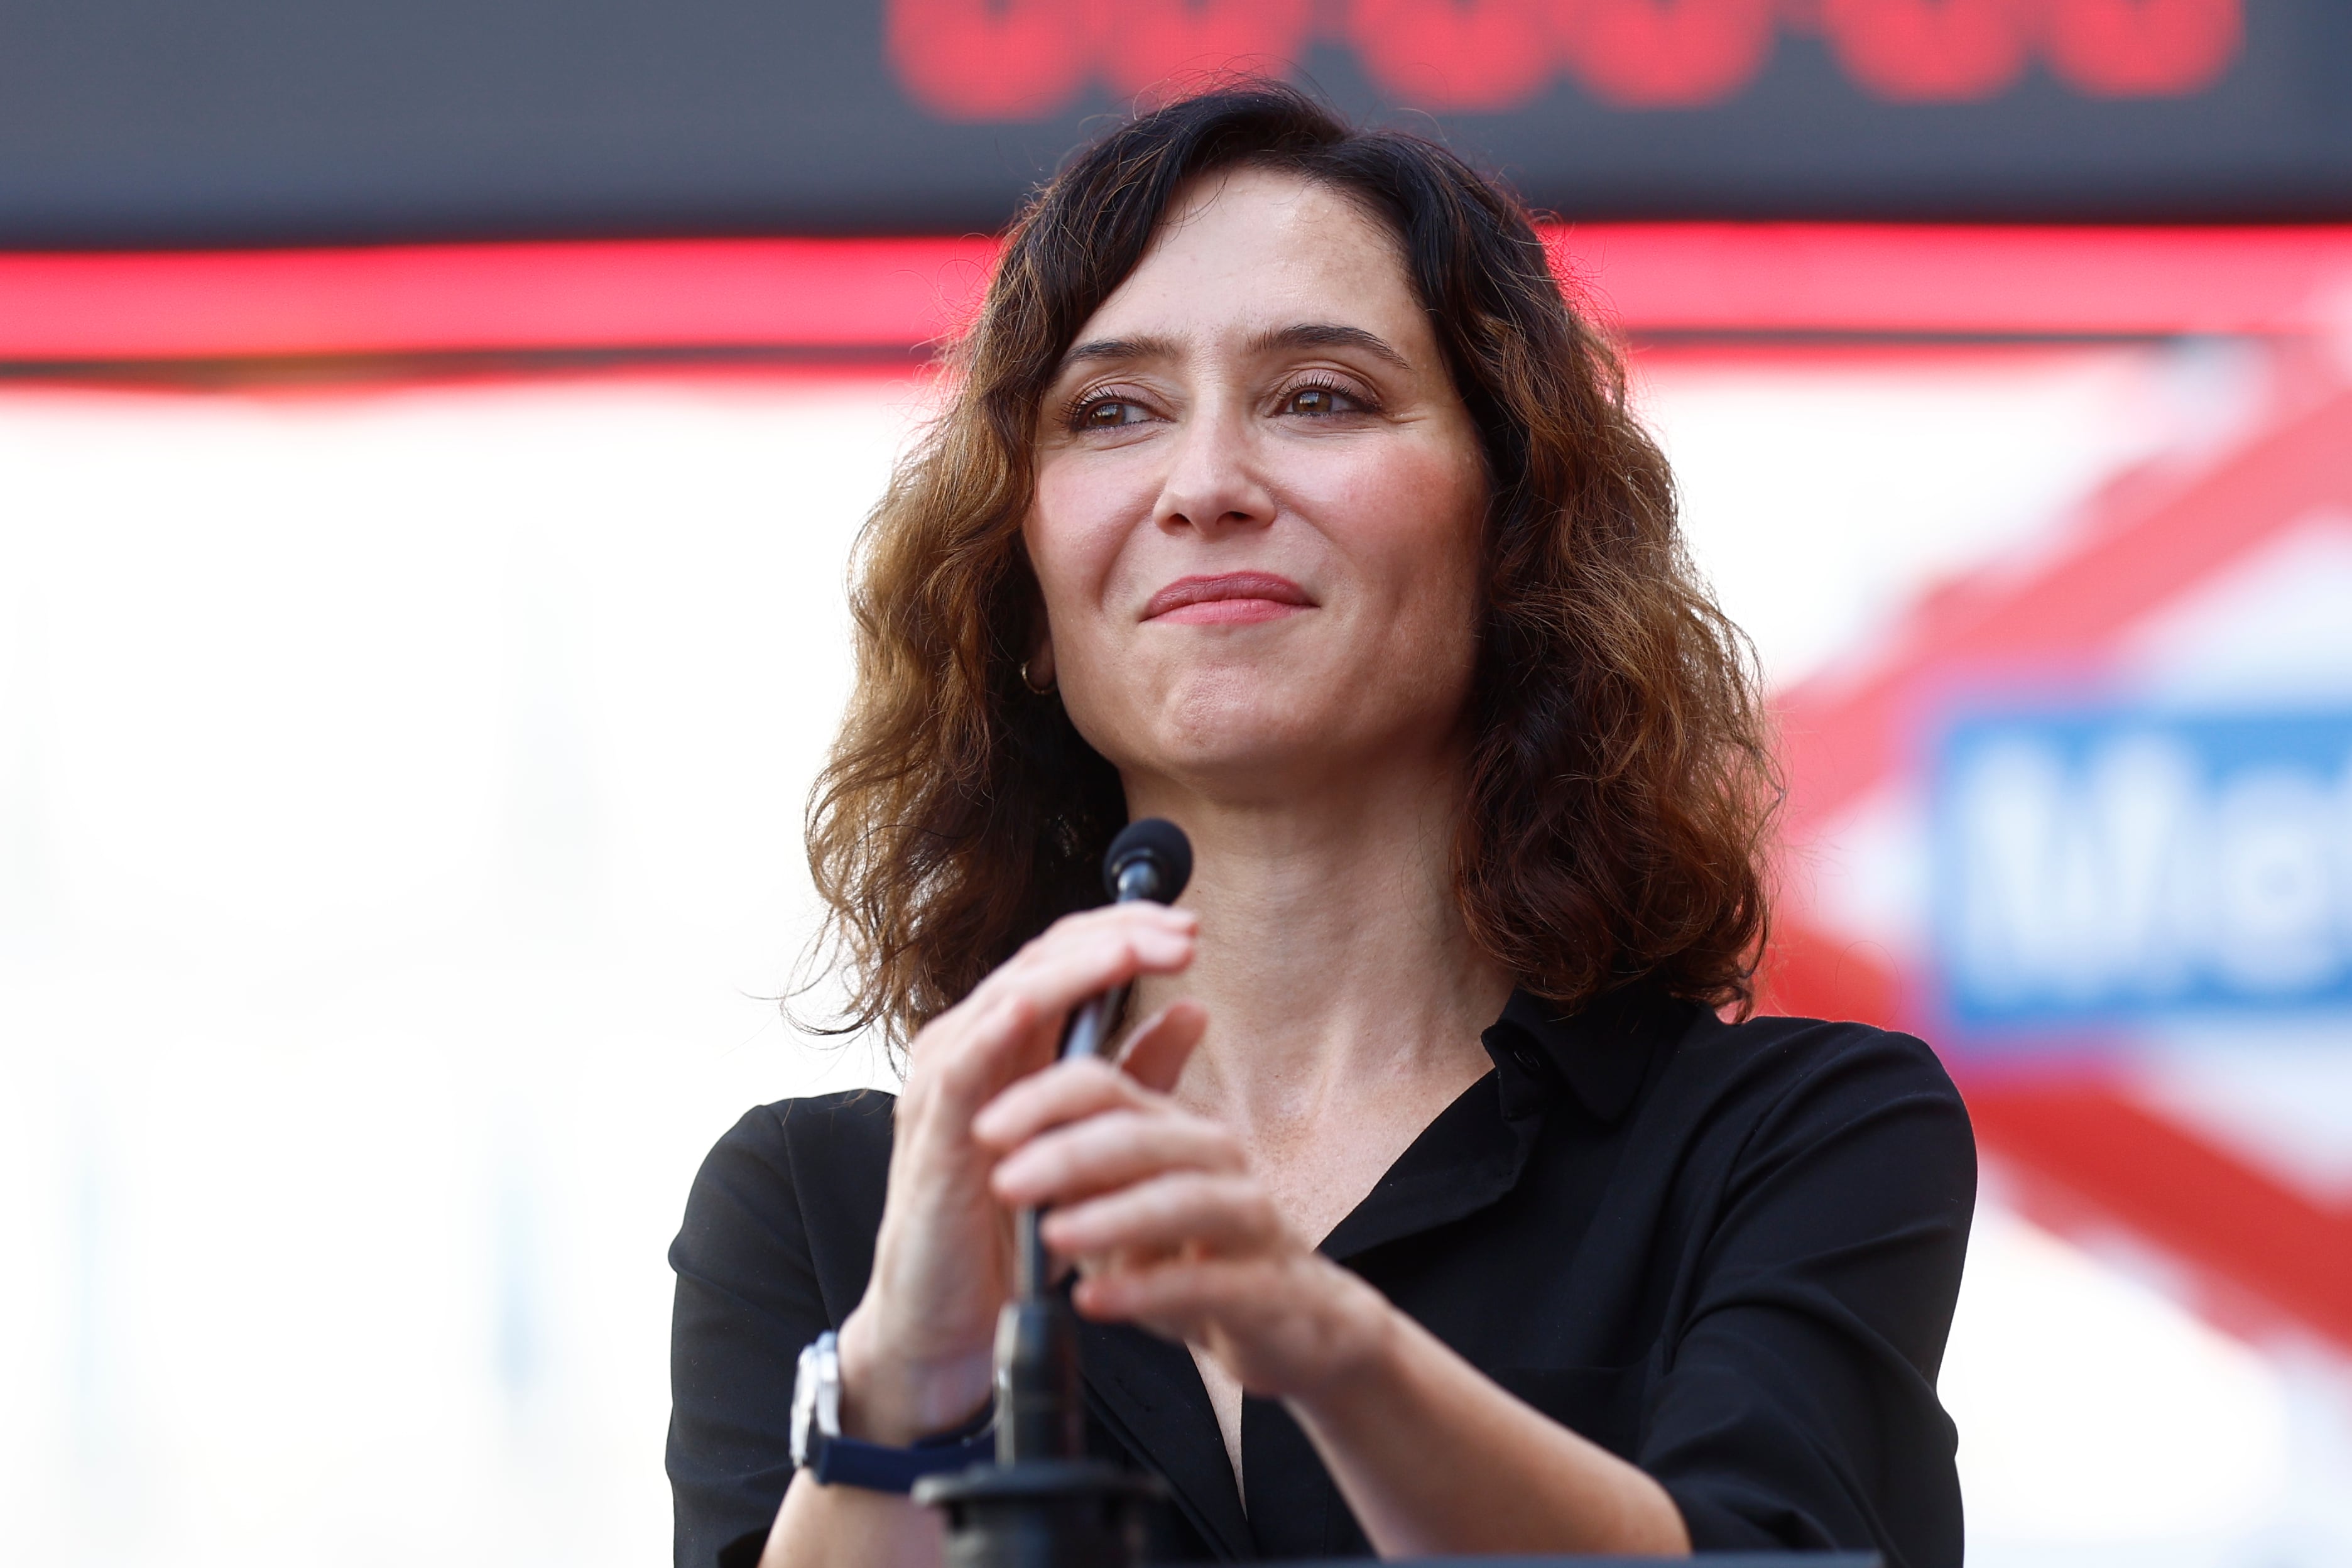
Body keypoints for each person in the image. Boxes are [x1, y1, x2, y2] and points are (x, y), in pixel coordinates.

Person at [667, 84, 1974, 1568]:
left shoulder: (1795, 1139)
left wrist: (1326, 1345)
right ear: (1023, 592)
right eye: (1112, 412)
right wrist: (903, 1384)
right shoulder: (827, 1212)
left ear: (1517, 531)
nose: (1205, 486)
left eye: (1320, 397)